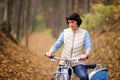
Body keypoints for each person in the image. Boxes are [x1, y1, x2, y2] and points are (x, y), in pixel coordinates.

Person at [45, 12, 92, 80]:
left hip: (77, 62)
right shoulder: (65, 32)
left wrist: (86, 55)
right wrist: (50, 52)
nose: (70, 24)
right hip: (64, 62)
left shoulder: (84, 33)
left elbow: (88, 46)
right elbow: (58, 43)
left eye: (72, 22)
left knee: (84, 77)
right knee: (62, 78)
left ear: (77, 22)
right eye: (69, 22)